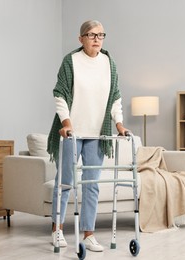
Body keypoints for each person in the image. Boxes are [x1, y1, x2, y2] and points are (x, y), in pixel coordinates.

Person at [47, 20, 129, 252]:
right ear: (80, 38)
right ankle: (57, 230)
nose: (96, 39)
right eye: (91, 35)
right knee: (64, 183)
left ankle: (89, 235)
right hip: (72, 132)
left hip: (97, 133)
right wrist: (66, 124)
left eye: (101, 35)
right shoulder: (71, 61)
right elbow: (60, 94)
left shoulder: (108, 63)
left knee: (92, 185)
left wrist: (120, 125)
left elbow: (115, 98)